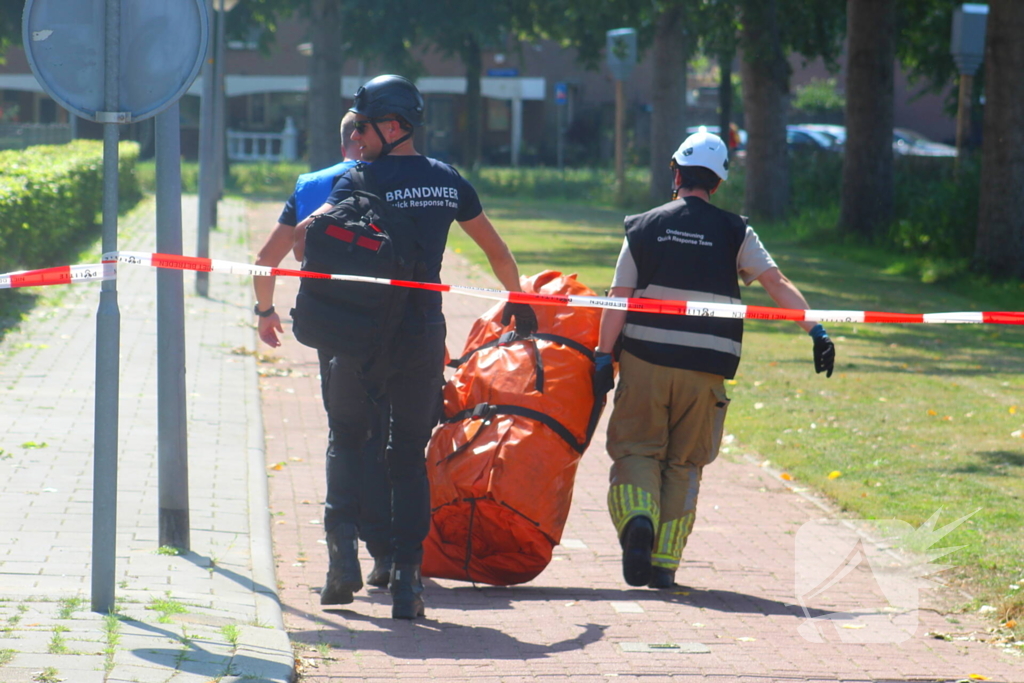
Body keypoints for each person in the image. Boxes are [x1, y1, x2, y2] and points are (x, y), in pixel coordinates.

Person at [290, 74, 537, 619]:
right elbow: (496, 250)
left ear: (395, 126)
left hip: (359, 335)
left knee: (346, 440)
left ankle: (341, 563)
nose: (357, 136)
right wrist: (518, 299)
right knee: (407, 457)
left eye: (365, 126)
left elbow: (303, 238)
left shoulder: (359, 178)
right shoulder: (448, 181)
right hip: (422, 337)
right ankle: (408, 583)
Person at [593, 130, 836, 590]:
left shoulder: (643, 226)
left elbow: (618, 298)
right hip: (706, 368)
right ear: (718, 183)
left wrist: (604, 357)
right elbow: (776, 282)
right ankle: (664, 563)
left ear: (675, 174)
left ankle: (639, 519)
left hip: (645, 361)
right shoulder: (736, 231)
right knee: (684, 463)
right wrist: (817, 331)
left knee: (637, 449)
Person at [253, 112, 394, 592]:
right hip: (390, 330)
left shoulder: (311, 185)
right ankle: (386, 554)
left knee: (344, 435)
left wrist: (265, 311)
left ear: (342, 143)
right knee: (384, 438)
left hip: (332, 329)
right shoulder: (399, 181)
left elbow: (267, 259)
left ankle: (342, 557)